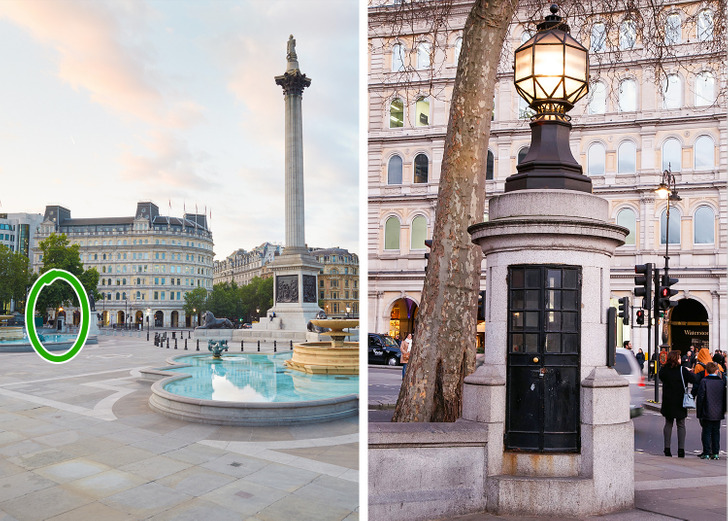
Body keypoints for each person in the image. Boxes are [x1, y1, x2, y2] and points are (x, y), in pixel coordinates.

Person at [659, 350, 697, 458]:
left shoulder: (664, 370)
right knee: (681, 424)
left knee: (668, 423)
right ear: (676, 359)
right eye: (679, 357)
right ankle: (681, 450)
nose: (681, 359)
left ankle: (667, 449)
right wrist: (690, 371)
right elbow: (694, 379)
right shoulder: (682, 370)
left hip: (668, 400)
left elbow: (660, 377)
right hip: (680, 400)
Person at [696, 362, 727, 459]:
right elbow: (724, 398)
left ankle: (706, 452)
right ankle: (716, 453)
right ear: (717, 370)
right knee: (716, 432)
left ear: (706, 371)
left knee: (706, 432)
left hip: (707, 410)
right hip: (718, 411)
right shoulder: (721, 382)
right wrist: (723, 410)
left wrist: (699, 411)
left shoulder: (704, 381)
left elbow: (700, 397)